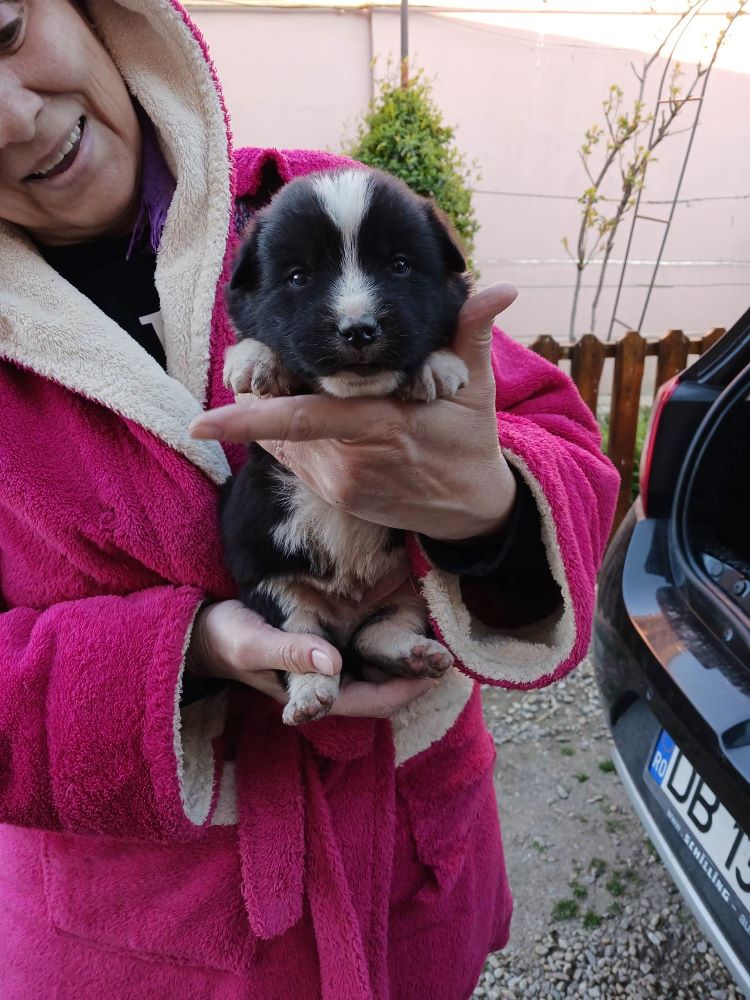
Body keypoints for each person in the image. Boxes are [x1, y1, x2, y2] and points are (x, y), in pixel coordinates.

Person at [0, 1, 619, 996]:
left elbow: (572, 458)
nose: (14, 115)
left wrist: (488, 512)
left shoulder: (329, 199)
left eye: (4, 29)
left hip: (404, 877)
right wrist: (187, 653)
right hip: (133, 941)